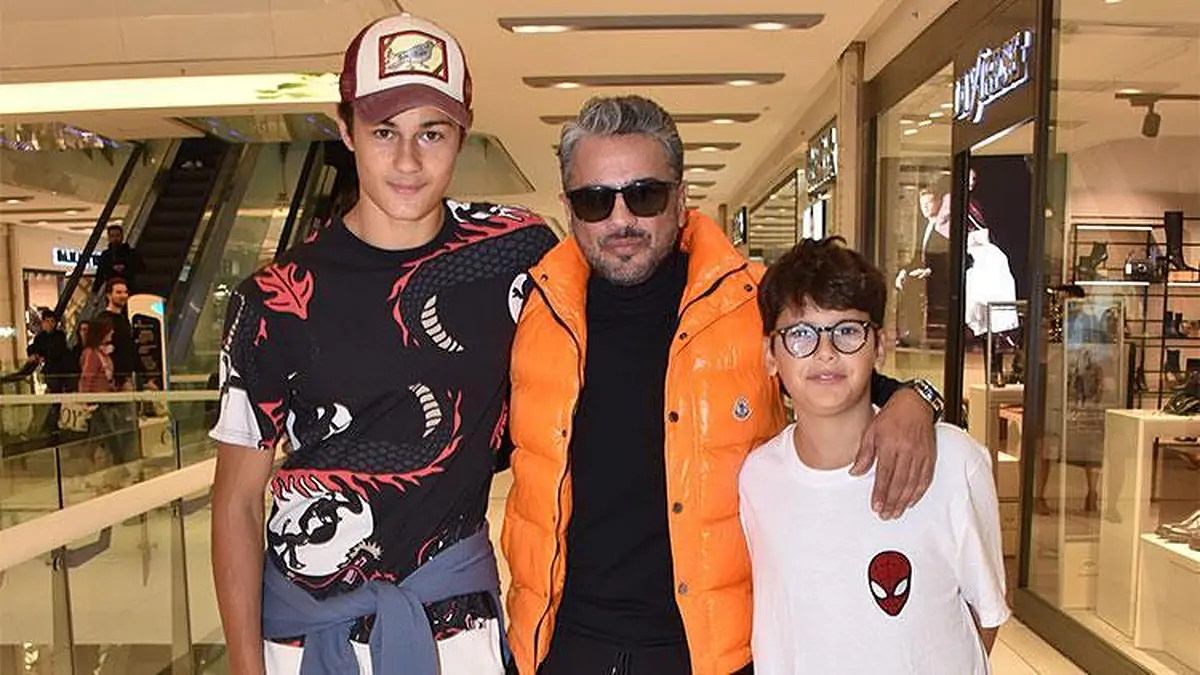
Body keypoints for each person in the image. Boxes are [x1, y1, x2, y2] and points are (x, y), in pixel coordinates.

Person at [502, 95, 944, 675]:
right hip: (560, 645)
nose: (620, 219)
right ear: (568, 207)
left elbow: (840, 370)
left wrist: (917, 398)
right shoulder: (533, 312)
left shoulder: (750, 303)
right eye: (594, 200)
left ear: (681, 198)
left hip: (712, 651)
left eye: (644, 195)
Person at [209, 12, 557, 675]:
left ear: (462, 134)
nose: (407, 161)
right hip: (309, 637)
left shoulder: (519, 253)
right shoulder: (273, 300)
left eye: (432, 133)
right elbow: (236, 502)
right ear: (346, 131)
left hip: (458, 631)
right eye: (383, 132)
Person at [739, 237, 1009, 674]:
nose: (825, 352)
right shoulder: (757, 479)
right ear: (771, 354)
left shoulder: (953, 462)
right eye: (801, 334)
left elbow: (984, 616)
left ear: (879, 345)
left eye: (847, 331)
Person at [99, 279, 138, 391]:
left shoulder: (124, 319)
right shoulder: (103, 319)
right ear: (108, 295)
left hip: (126, 377)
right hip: (113, 380)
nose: (123, 296)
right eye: (118, 292)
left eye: (125, 292)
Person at [94, 225, 144, 292]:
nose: (115, 238)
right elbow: (100, 273)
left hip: (129, 286)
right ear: (109, 238)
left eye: (117, 235)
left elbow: (141, 268)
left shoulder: (132, 253)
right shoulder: (105, 255)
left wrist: (125, 267)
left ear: (122, 236)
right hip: (111, 288)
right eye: (112, 236)